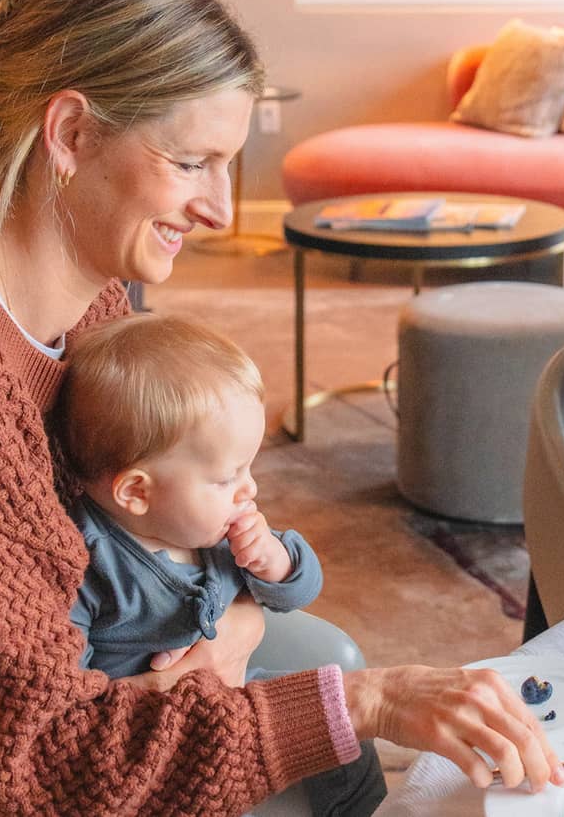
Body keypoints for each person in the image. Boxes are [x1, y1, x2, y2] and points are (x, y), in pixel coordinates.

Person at [0, 0, 562, 814]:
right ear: (73, 134)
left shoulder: (92, 309)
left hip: (81, 710)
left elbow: (147, 549)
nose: (223, 211)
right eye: (193, 161)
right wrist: (374, 700)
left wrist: (236, 619)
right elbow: (48, 764)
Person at [59, 313, 384, 815]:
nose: (248, 488)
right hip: (158, 747)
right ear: (137, 492)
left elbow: (300, 590)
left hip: (236, 694)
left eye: (248, 467)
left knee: (345, 742)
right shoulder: (87, 564)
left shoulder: (215, 529)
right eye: (226, 476)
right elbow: (71, 694)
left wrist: (276, 562)